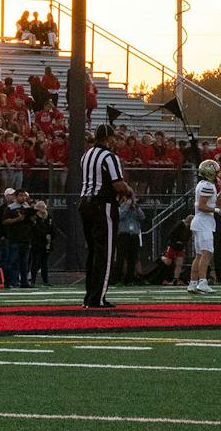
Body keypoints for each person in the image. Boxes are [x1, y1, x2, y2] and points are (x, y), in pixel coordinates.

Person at [79, 122, 130, 308]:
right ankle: (97, 297)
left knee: (93, 251)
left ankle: (90, 296)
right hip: (103, 205)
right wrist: (128, 191)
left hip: (85, 204)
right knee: (105, 253)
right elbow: (118, 184)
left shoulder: (86, 155)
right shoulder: (109, 156)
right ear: (108, 139)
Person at [187, 158, 221, 294]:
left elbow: (209, 203)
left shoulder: (202, 184)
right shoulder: (207, 185)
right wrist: (218, 211)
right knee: (207, 253)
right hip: (203, 223)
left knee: (199, 255)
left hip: (199, 222)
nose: (218, 175)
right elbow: (202, 206)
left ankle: (193, 283)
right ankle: (202, 282)